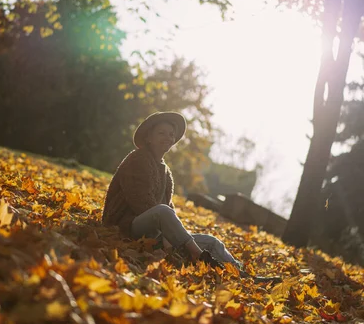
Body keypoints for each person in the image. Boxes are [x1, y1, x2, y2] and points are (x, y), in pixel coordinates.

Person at [102, 112, 281, 283]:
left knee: (212, 241)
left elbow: (169, 209)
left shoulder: (166, 172)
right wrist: (165, 234)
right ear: (149, 138)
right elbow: (139, 202)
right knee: (163, 212)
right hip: (125, 225)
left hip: (153, 230)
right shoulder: (137, 159)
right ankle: (196, 253)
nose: (167, 137)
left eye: (171, 134)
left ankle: (244, 276)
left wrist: (172, 234)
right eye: (161, 133)